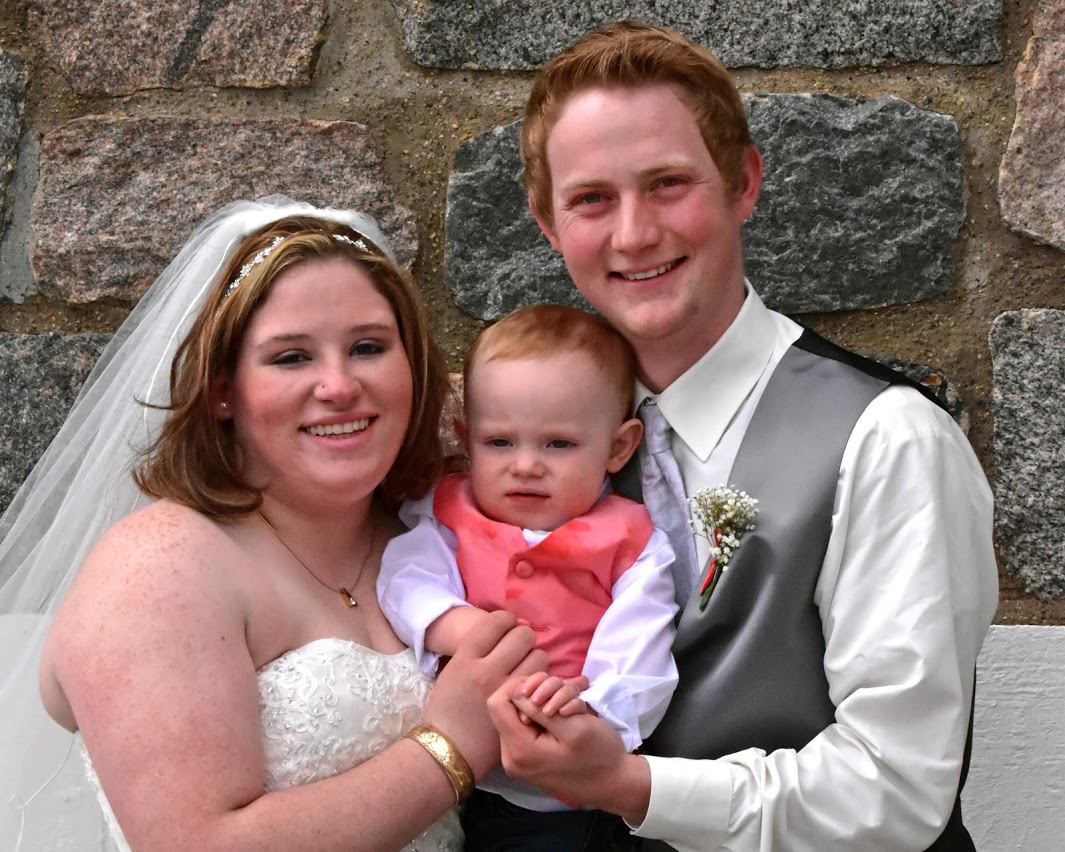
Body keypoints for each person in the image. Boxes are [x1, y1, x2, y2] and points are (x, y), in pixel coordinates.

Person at [485, 21, 999, 852]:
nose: (633, 234)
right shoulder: (527, 445)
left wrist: (631, 787)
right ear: (548, 224)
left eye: (666, 184)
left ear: (742, 184)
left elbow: (896, 792)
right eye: (591, 199)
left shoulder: (887, 439)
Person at [0, 197, 545, 851]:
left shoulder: (431, 533)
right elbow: (193, 844)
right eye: (291, 358)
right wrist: (448, 748)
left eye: (367, 347)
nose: (338, 385)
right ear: (223, 391)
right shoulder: (160, 564)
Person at [377, 304, 679, 850]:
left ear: (618, 447)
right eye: (499, 442)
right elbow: (406, 579)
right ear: (466, 438)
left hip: (580, 786)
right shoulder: (447, 514)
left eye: (558, 444)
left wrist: (592, 706)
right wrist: (462, 628)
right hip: (474, 780)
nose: (525, 465)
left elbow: (641, 649)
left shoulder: (632, 542)